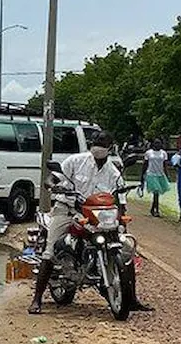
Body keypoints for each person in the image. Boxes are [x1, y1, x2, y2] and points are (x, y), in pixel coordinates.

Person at [29, 132, 152, 314]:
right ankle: (37, 299)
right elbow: (53, 177)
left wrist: (121, 222)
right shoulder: (75, 161)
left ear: (110, 147)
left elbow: (120, 198)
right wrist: (51, 185)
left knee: (125, 250)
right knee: (51, 250)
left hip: (99, 215)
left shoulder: (113, 171)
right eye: (95, 143)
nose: (98, 146)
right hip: (68, 210)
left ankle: (131, 299)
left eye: (102, 143)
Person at [142, 138, 172, 217]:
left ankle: (152, 208)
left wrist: (167, 174)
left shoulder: (163, 153)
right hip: (151, 174)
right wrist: (143, 175)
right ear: (153, 144)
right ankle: (156, 210)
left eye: (159, 143)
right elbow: (145, 164)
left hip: (160, 174)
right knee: (156, 192)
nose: (158, 145)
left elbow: (165, 164)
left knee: (157, 193)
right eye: (156, 143)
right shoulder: (148, 153)